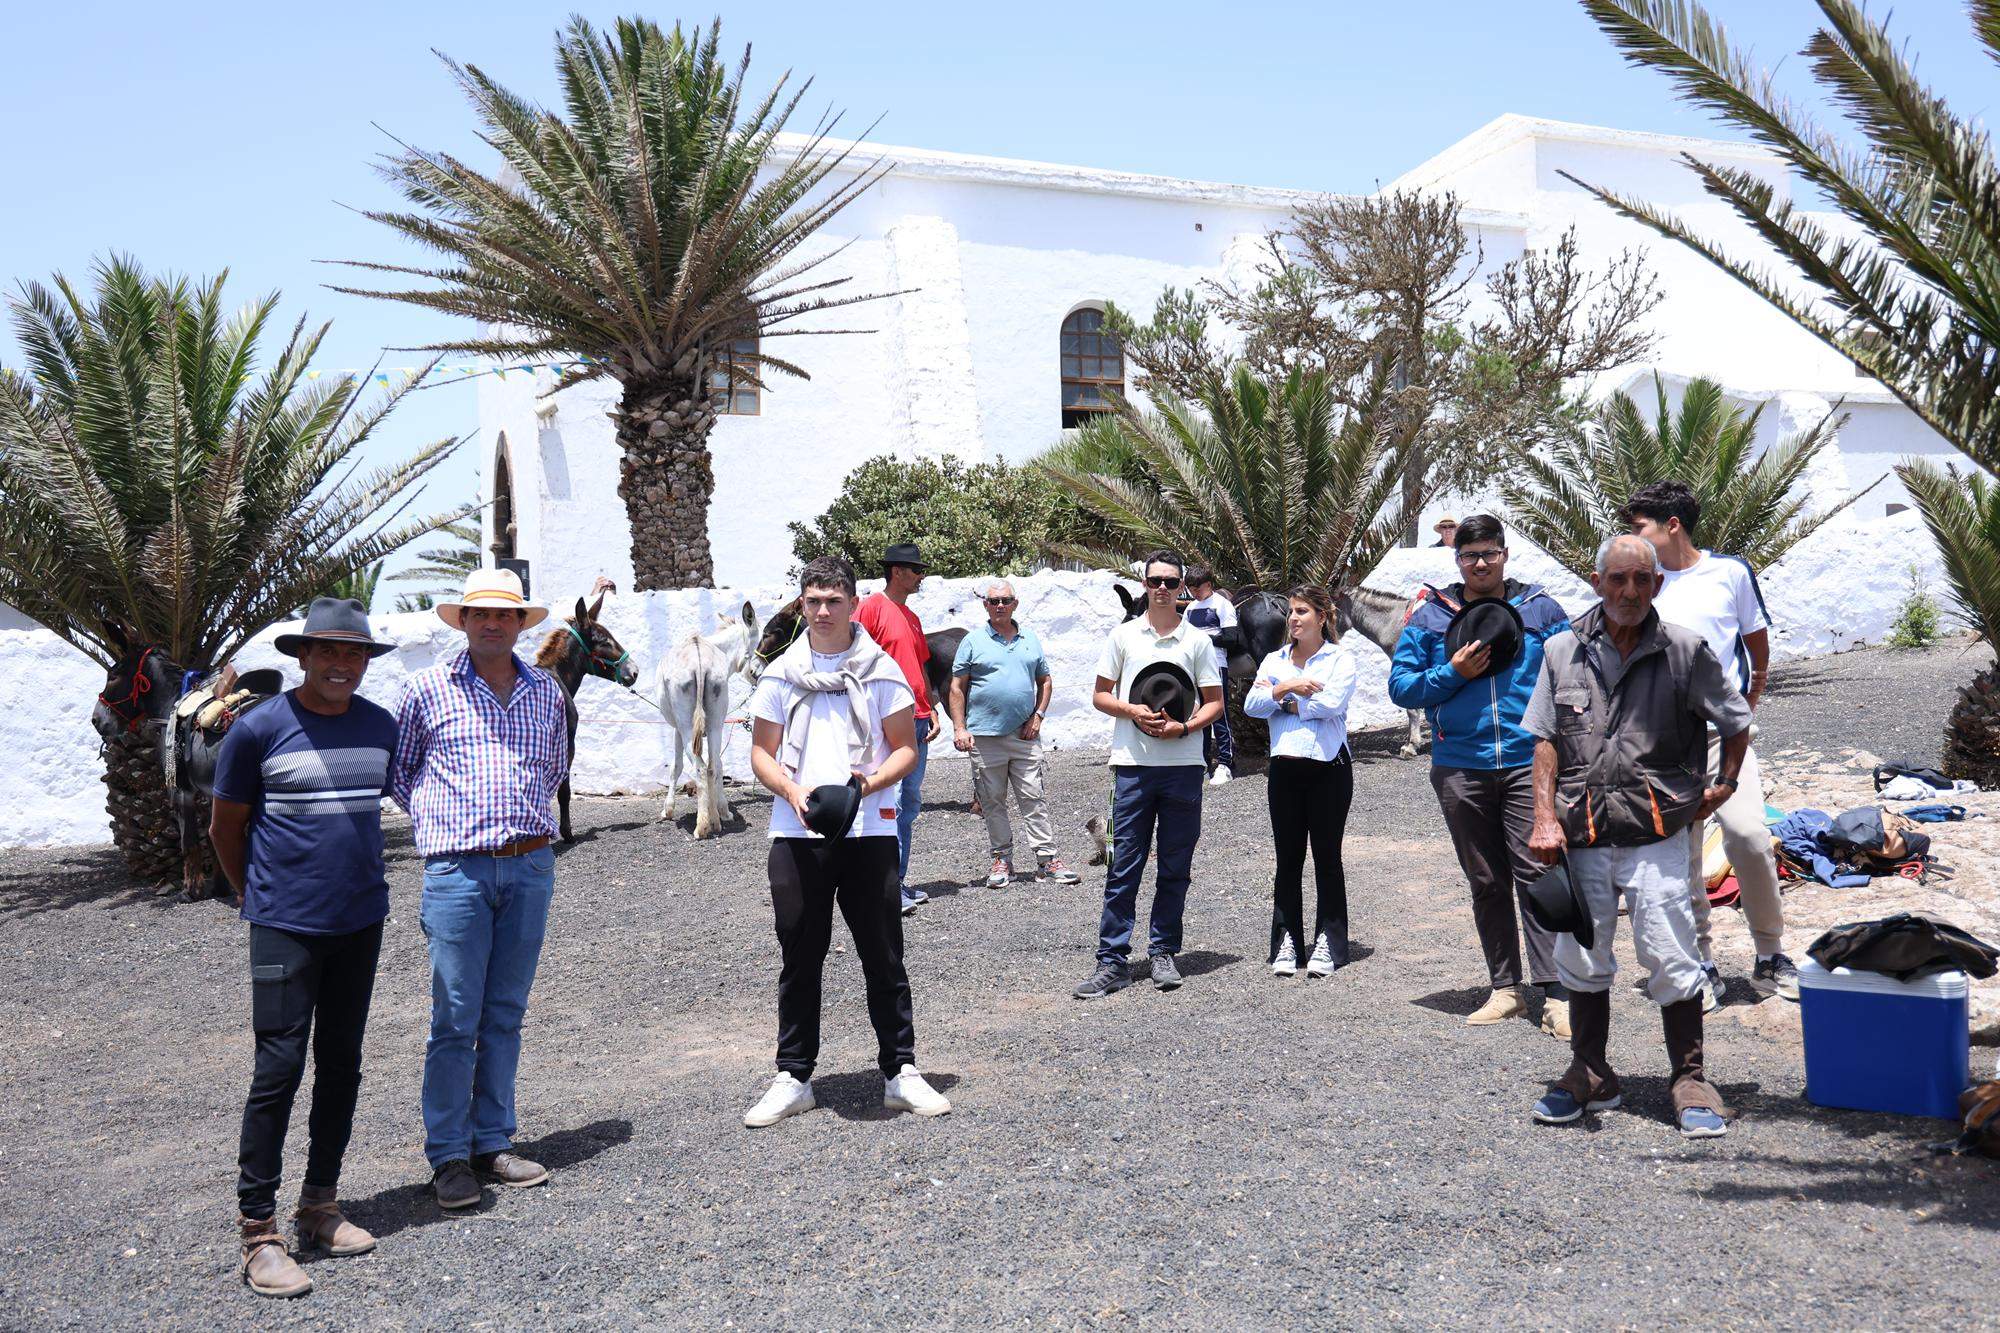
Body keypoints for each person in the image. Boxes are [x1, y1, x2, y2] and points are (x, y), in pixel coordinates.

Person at [1524, 535, 1752, 1139]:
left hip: (1657, 829)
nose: (1629, 592)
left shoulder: (1684, 650)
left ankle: (1690, 1077)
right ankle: (1591, 1069)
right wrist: (1544, 818)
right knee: (1581, 954)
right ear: (1597, 582)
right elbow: (1543, 739)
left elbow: (1736, 719)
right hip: (1584, 828)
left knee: (1671, 951)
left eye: (1641, 580)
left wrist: (1725, 783)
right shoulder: (1559, 650)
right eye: (1617, 580)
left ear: (1656, 584)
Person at [211, 598, 398, 1298]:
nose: (341, 665)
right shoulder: (258, 729)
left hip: (360, 922)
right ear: (303, 656)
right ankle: (259, 1232)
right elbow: (225, 828)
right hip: (282, 927)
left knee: (342, 1062)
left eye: (354, 654)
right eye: (328, 652)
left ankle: (320, 1205)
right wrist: (255, 897)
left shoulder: (380, 726)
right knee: (278, 1066)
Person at [742, 556, 950, 1126]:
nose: (824, 610)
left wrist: (865, 783)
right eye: (814, 601)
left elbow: (905, 748)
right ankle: (794, 1076)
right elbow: (762, 751)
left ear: (853, 604)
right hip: (796, 828)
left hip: (870, 826)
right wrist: (792, 789)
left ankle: (900, 1073)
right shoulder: (782, 674)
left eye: (835, 600)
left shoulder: (880, 670)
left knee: (883, 953)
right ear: (802, 606)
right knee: (800, 954)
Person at [391, 569, 570, 1209]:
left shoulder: (546, 692)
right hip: (458, 872)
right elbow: (401, 771)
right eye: (480, 614)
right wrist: (447, 824)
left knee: (505, 1012)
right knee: (454, 1017)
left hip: (529, 865)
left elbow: (554, 767)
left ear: (521, 625)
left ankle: (492, 1140)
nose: (493, 625)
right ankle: (448, 1157)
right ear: (462, 621)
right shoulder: (425, 690)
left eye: (505, 616)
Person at [1389, 515, 1574, 1037]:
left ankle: (1556, 991)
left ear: (1505, 554)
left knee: (1539, 873)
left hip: (1527, 762)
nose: (1480, 563)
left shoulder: (1540, 608)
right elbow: (1402, 688)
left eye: (1490, 552)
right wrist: (1454, 673)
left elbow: (1573, 673)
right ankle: (1506, 989)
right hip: (1460, 766)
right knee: (1487, 881)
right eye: (1470, 555)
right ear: (1457, 559)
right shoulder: (1431, 616)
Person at [1624, 480, 1796, 1005]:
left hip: (1725, 737)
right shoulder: (1640, 583)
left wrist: (1750, 701)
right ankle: (1702, 962)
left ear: (1671, 525)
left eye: (1640, 527)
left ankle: (1770, 952)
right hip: (1663, 742)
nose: (1632, 537)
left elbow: (1755, 638)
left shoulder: (1729, 573)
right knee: (1683, 854)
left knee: (1747, 835)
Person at [1073, 550, 1225, 999]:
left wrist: (1184, 727)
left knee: (1176, 866)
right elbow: (1101, 696)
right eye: (1155, 580)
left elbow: (1215, 702)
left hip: (1182, 769)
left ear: (1182, 588)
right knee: (1122, 866)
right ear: (1144, 584)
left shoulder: (1196, 641)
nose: (1162, 587)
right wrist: (1132, 709)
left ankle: (1162, 952)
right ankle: (1112, 962)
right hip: (1133, 768)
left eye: (1171, 582)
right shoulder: (1123, 637)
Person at [1244, 586, 1358, 977]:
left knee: (1327, 858)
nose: (1293, 619)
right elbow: (1250, 706)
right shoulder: (1275, 660)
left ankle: (1329, 940)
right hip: (1285, 770)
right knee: (1287, 860)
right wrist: (1289, 687)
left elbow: (1331, 706)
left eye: (1302, 612)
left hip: (1329, 768)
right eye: (1291, 612)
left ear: (1322, 617)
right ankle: (1287, 940)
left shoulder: (1339, 659)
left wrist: (1280, 702)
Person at [948, 579, 1079, 888]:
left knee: (1034, 798)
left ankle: (1047, 860)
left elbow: (1045, 680)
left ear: (1015, 603)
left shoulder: (1030, 639)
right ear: (986, 605)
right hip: (984, 737)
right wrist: (959, 727)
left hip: (1024, 736)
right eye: (994, 601)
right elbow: (957, 686)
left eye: (1005, 600)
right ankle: (1002, 859)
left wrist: (1039, 716)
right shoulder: (972, 642)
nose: (1000, 606)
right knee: (993, 802)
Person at [856, 542, 938, 915]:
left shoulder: (911, 617)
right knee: (893, 802)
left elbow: (920, 665)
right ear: (897, 572)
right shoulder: (871, 607)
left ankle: (897, 882)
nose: (922, 576)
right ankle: (886, 886)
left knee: (910, 804)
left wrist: (931, 708)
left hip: (918, 719)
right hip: (889, 720)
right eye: (917, 570)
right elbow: (853, 657)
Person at [1182, 566, 1238, 786]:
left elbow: (1231, 638)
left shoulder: (1222, 605)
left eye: (1197, 588)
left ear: (1208, 584)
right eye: (1190, 589)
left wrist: (1203, 640)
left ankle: (1226, 763)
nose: (1194, 593)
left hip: (1216, 666)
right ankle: (1203, 763)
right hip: (1195, 668)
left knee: (1219, 716)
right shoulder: (1190, 609)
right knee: (1199, 716)